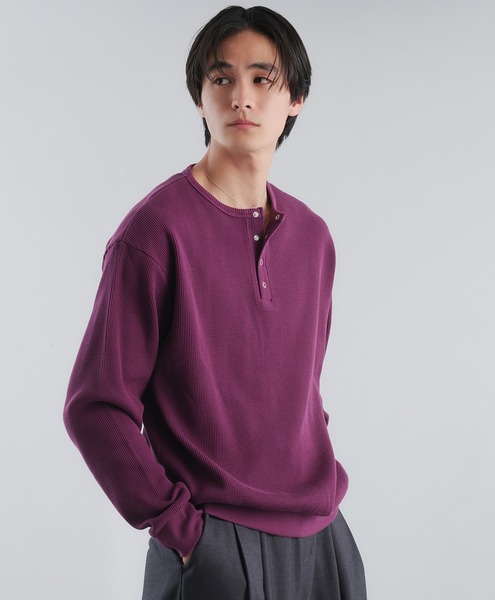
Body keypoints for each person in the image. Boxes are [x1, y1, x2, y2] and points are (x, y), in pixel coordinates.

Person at [63, 5, 367, 599]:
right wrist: (181, 530)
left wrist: (324, 499)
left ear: (296, 98)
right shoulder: (154, 232)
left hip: (322, 542)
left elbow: (302, 393)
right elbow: (96, 405)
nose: (241, 97)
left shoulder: (313, 237)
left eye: (262, 78)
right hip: (215, 546)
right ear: (199, 99)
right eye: (221, 78)